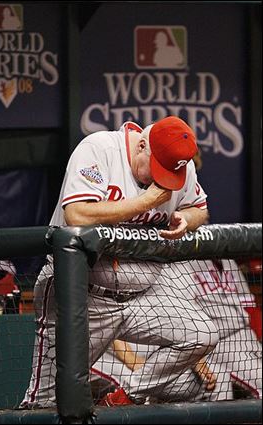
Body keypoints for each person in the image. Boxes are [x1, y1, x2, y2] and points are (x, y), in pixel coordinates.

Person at [20, 116, 219, 408]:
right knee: (46, 402)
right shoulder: (99, 149)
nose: (159, 181)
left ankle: (124, 398)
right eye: (156, 171)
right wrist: (146, 202)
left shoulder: (179, 164)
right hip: (83, 298)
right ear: (141, 145)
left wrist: (185, 219)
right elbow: (77, 214)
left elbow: (199, 210)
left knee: (202, 334)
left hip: (144, 299)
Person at [92, 259, 262, 404]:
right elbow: (110, 310)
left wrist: (196, 359)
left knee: (218, 381)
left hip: (154, 354)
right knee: (128, 384)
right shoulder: (116, 255)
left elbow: (186, 320)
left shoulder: (175, 268)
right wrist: (129, 358)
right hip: (106, 352)